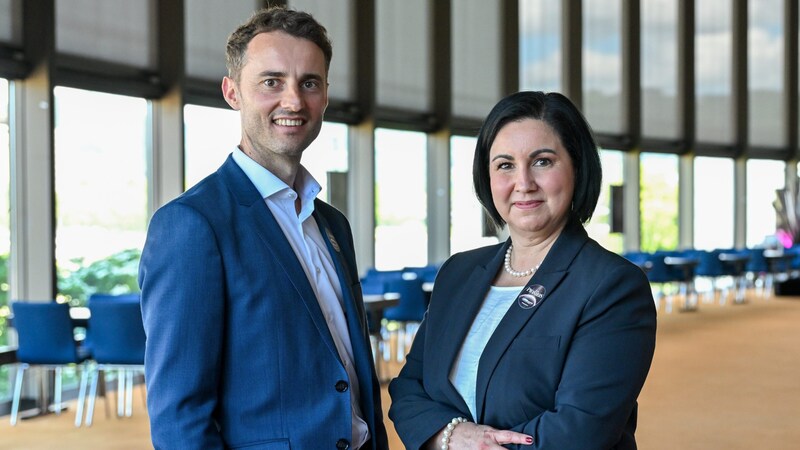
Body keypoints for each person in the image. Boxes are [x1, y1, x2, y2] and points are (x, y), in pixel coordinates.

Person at [139, 7, 389, 450]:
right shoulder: (192, 226)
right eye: (271, 82)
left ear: (326, 94)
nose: (293, 101)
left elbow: (351, 372)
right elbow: (179, 419)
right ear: (232, 92)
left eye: (309, 83)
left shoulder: (332, 224)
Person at [388, 91, 657, 449]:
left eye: (542, 161)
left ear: (577, 167)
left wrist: (481, 445)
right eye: (505, 165)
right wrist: (452, 436)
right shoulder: (457, 273)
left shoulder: (612, 285)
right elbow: (409, 388)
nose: (524, 182)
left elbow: (579, 432)